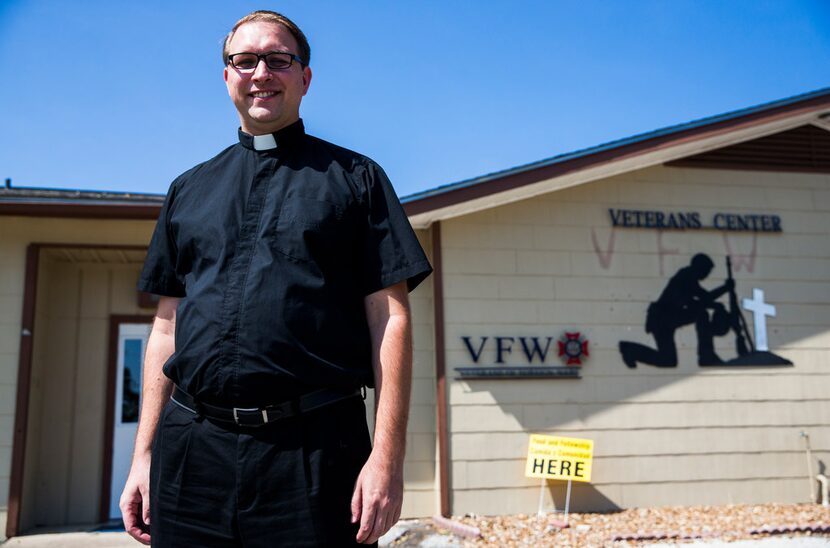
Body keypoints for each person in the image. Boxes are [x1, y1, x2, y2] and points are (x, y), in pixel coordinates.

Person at [120, 10, 432, 547]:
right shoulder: (187, 189)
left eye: (279, 59)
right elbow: (166, 328)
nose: (261, 72)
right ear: (227, 77)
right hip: (191, 456)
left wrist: (386, 458)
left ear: (305, 77)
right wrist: (144, 455)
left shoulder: (357, 180)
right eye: (245, 60)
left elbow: (390, 320)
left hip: (314, 456)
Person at [619, 253, 733, 368]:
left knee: (668, 360)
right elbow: (702, 299)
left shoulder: (688, 277)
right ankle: (706, 354)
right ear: (699, 268)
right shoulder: (686, 277)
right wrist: (724, 289)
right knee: (701, 314)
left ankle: (631, 350)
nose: (707, 274)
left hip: (666, 318)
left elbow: (701, 299)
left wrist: (718, 302)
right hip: (662, 318)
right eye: (706, 271)